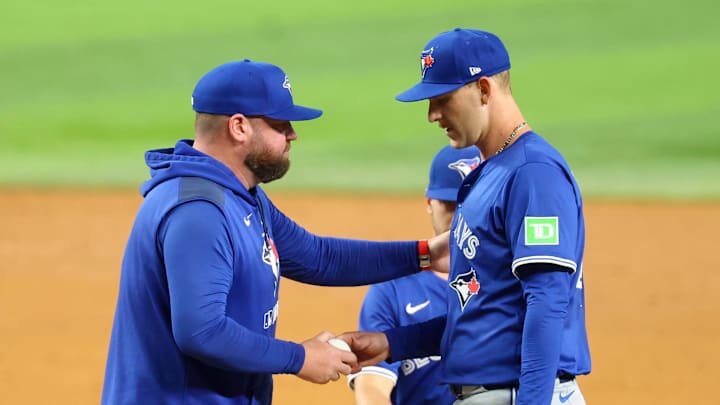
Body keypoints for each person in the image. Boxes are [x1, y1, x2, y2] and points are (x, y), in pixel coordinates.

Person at [101, 59, 449, 405]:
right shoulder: (198, 211)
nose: (292, 134)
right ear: (239, 127)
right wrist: (300, 358)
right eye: (280, 124)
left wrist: (425, 254)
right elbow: (201, 331)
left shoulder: (239, 195)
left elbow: (318, 257)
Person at [337, 28, 591, 405]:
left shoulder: (533, 173)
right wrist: (394, 342)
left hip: (519, 394)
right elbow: (479, 311)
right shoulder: (490, 174)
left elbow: (547, 300)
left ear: (484, 89)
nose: (432, 115)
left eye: (442, 100)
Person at [348, 145, 480, 405]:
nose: (461, 217)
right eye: (451, 205)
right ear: (429, 203)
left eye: (472, 204)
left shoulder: (510, 280)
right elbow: (372, 386)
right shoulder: (393, 290)